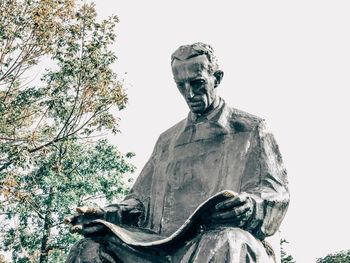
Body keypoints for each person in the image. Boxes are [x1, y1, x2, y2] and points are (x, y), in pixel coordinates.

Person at [66, 42, 289, 263]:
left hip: (221, 240)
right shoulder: (167, 141)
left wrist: (249, 206)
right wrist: (106, 215)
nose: (189, 93)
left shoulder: (251, 129)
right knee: (88, 248)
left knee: (222, 241)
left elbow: (275, 193)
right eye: (181, 85)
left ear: (217, 78)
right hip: (160, 249)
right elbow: (139, 202)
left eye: (197, 83)